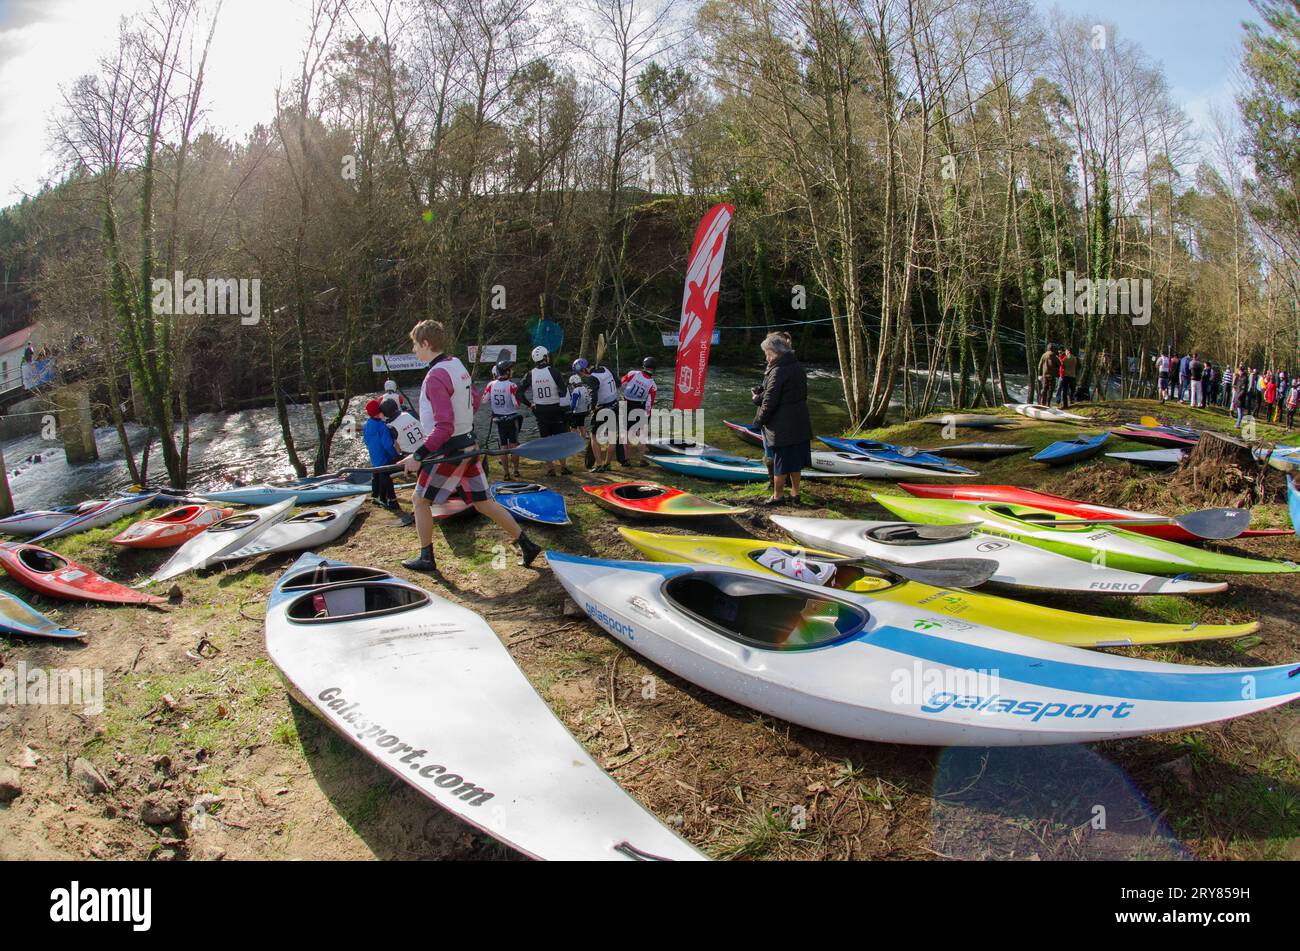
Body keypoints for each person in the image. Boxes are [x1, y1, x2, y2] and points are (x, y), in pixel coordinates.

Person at [400, 319, 541, 572]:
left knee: (420, 501)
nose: (413, 350)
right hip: (469, 445)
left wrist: (419, 455)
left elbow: (444, 426)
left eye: (414, 345)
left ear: (425, 343)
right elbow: (473, 400)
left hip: (449, 451)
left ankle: (426, 558)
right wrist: (462, 419)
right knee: (483, 502)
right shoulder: (457, 365)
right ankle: (527, 544)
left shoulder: (434, 376)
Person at [753, 333, 812, 506]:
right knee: (795, 462)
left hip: (782, 425)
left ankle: (778, 496)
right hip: (800, 420)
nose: (766, 357)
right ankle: (795, 494)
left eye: (767, 353)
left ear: (774, 352)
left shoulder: (778, 370)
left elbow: (770, 400)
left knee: (781, 462)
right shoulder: (797, 366)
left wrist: (758, 421)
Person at [519, 346, 570, 477]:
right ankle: (563, 467)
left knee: (545, 440)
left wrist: (529, 404)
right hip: (555, 409)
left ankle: (550, 469)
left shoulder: (530, 374)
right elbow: (564, 391)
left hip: (540, 411)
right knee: (560, 440)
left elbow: (518, 394)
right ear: (545, 357)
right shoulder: (554, 371)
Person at [483, 360, 523, 479]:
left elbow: (484, 400)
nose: (512, 371)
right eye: (511, 369)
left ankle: (506, 473)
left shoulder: (491, 385)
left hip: (498, 420)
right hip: (511, 419)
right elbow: (517, 405)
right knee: (514, 446)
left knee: (503, 447)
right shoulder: (512, 385)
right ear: (507, 371)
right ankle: (516, 471)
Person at [619, 357, 658, 467]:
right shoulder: (652, 385)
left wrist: (625, 394)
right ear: (654, 369)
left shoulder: (633, 373)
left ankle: (627, 460)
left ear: (643, 366)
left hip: (626, 406)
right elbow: (650, 403)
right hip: (641, 408)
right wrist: (647, 415)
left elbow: (622, 383)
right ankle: (641, 460)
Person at [363, 399, 400, 511]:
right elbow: (387, 445)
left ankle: (375, 497)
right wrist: (395, 455)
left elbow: (365, 441)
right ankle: (391, 501)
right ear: (379, 410)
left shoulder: (367, 424)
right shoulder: (382, 426)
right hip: (384, 457)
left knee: (376, 475)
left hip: (374, 457)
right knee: (385, 476)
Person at [588, 360, 622, 471]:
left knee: (593, 436)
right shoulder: (606, 369)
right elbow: (618, 383)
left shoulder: (592, 377)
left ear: (584, 370)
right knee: (612, 436)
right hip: (614, 405)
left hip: (602, 408)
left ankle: (598, 465)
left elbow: (593, 395)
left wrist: (592, 408)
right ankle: (607, 464)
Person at [567, 358, 598, 466]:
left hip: (577, 412)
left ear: (573, 383)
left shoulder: (576, 391)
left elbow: (574, 402)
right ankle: (583, 443)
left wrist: (570, 411)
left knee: (573, 428)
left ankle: (575, 444)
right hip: (585, 411)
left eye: (571, 384)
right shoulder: (584, 388)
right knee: (582, 427)